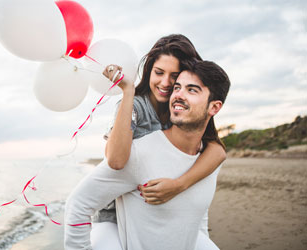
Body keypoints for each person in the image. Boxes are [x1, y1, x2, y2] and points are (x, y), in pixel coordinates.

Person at [64, 60, 231, 249]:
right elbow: (77, 205)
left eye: (192, 90)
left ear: (214, 107)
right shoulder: (139, 153)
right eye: (177, 88)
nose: (178, 95)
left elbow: (198, 214)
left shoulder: (209, 158)